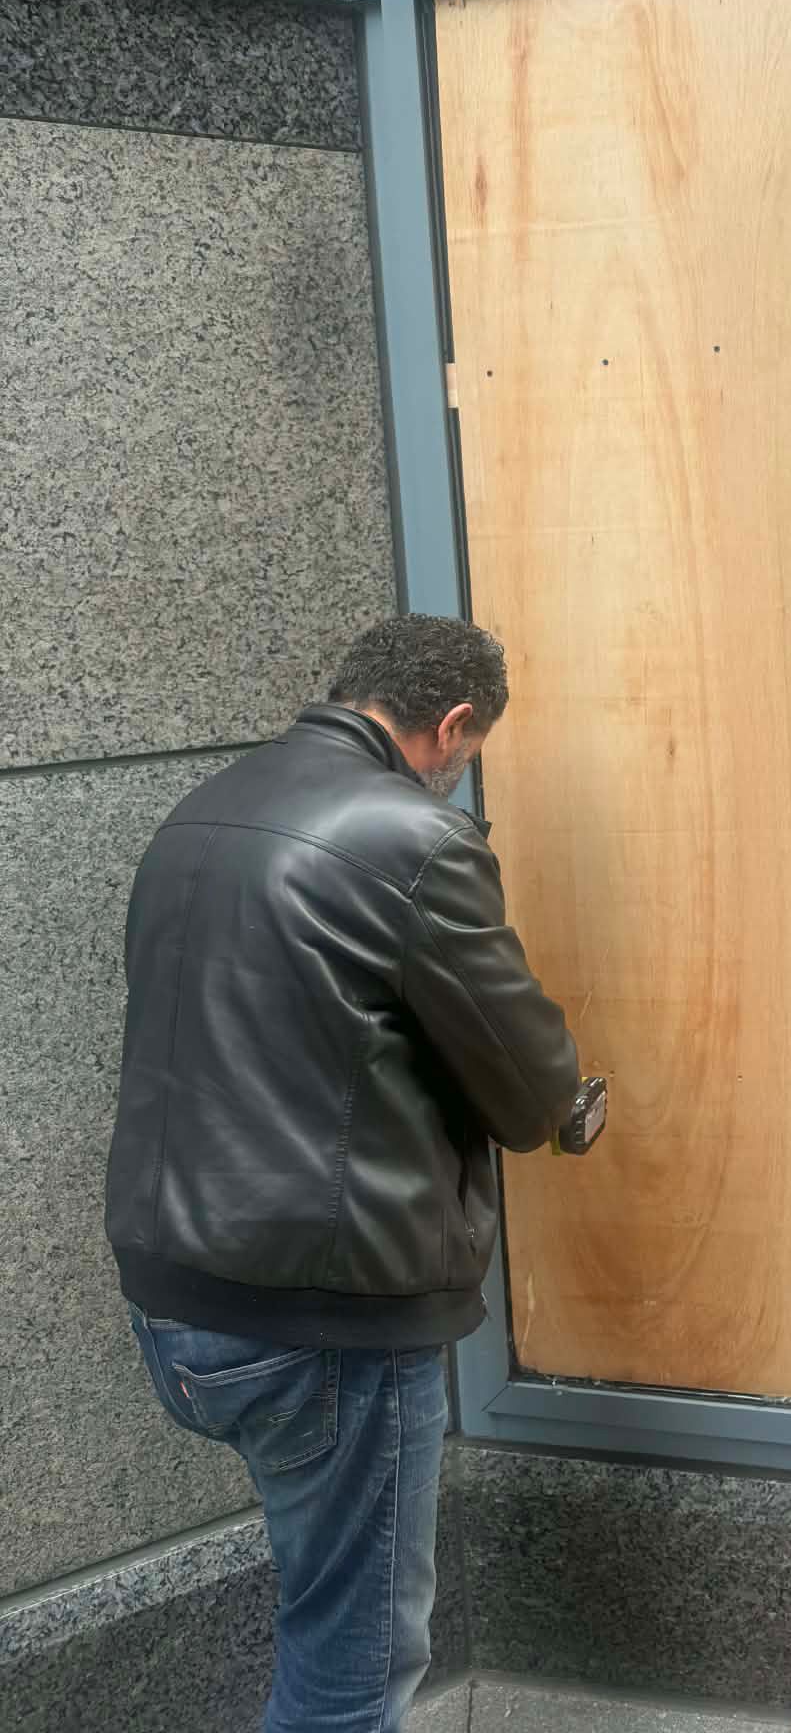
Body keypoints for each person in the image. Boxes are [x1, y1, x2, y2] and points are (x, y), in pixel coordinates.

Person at [105, 613, 582, 1733]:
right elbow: (524, 1083)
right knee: (356, 1662)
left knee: (323, 1596)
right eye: (468, 753)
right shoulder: (408, 836)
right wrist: (570, 1106)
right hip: (323, 1321)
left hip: (177, 1302)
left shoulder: (201, 808)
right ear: (452, 724)